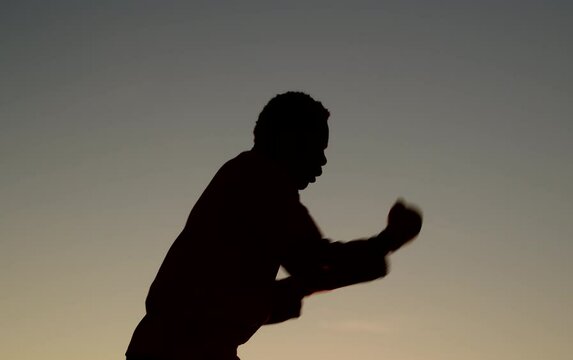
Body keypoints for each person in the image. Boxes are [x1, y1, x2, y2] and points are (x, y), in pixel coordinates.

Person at [125, 91, 422, 360]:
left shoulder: (249, 180)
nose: (322, 161)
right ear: (287, 139)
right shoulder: (261, 179)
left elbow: (250, 285)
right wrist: (387, 241)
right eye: (316, 146)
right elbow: (314, 264)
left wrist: (276, 298)